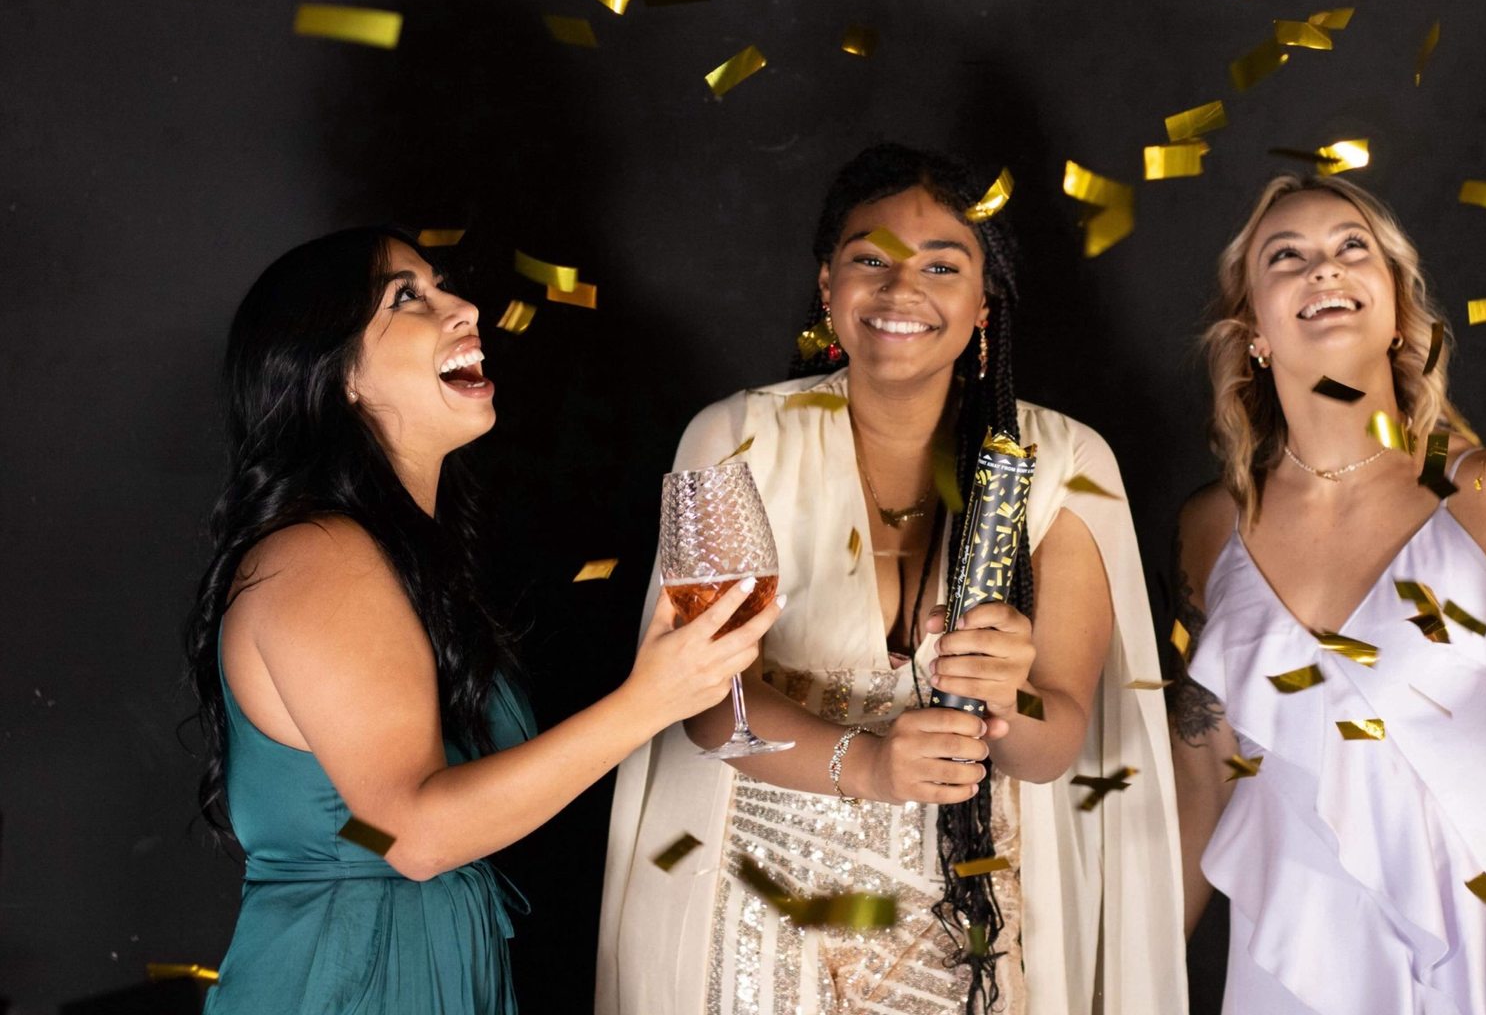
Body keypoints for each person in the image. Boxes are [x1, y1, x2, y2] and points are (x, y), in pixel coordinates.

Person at [599, 145, 1185, 1014]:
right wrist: (869, 766)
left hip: (961, 904)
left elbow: (1054, 740)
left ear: (984, 302)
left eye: (942, 266)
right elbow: (706, 704)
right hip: (752, 889)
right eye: (869, 259)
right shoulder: (731, 438)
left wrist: (1007, 695)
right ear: (827, 285)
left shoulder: (1062, 463)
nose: (900, 289)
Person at [186, 227, 779, 1013]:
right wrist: (651, 700)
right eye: (408, 298)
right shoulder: (318, 554)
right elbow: (415, 836)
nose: (464, 306)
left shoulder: (399, 555)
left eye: (441, 286)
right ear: (339, 376)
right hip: (347, 985)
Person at [1168, 174, 1486, 1014]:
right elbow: (1201, 793)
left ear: (1399, 308)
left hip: (1467, 969)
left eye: (1350, 248)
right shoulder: (1208, 530)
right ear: (1252, 328)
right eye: (1286, 257)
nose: (1323, 270)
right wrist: (1126, 983)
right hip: (1281, 978)